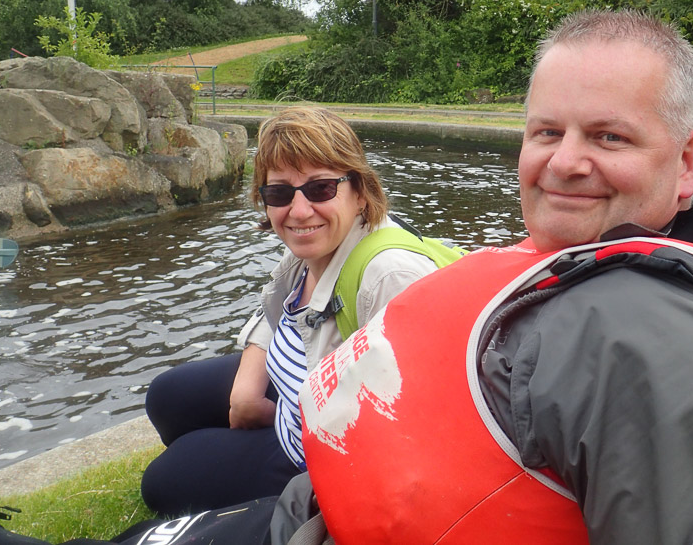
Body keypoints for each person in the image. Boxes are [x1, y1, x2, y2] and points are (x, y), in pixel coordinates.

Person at [0, 9, 693, 545]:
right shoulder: (583, 271)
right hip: (334, 504)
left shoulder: (643, 341)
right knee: (172, 419)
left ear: (687, 164)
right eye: (546, 132)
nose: (564, 162)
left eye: (608, 137)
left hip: (326, 506)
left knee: (158, 493)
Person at [140, 106, 463, 515]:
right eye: (279, 193)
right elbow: (274, 309)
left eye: (320, 188)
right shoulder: (318, 243)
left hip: (314, 456)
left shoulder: (390, 278)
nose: (299, 211)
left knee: (163, 481)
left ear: (360, 191)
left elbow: (423, 429)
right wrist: (245, 393)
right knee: (167, 397)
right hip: (297, 383)